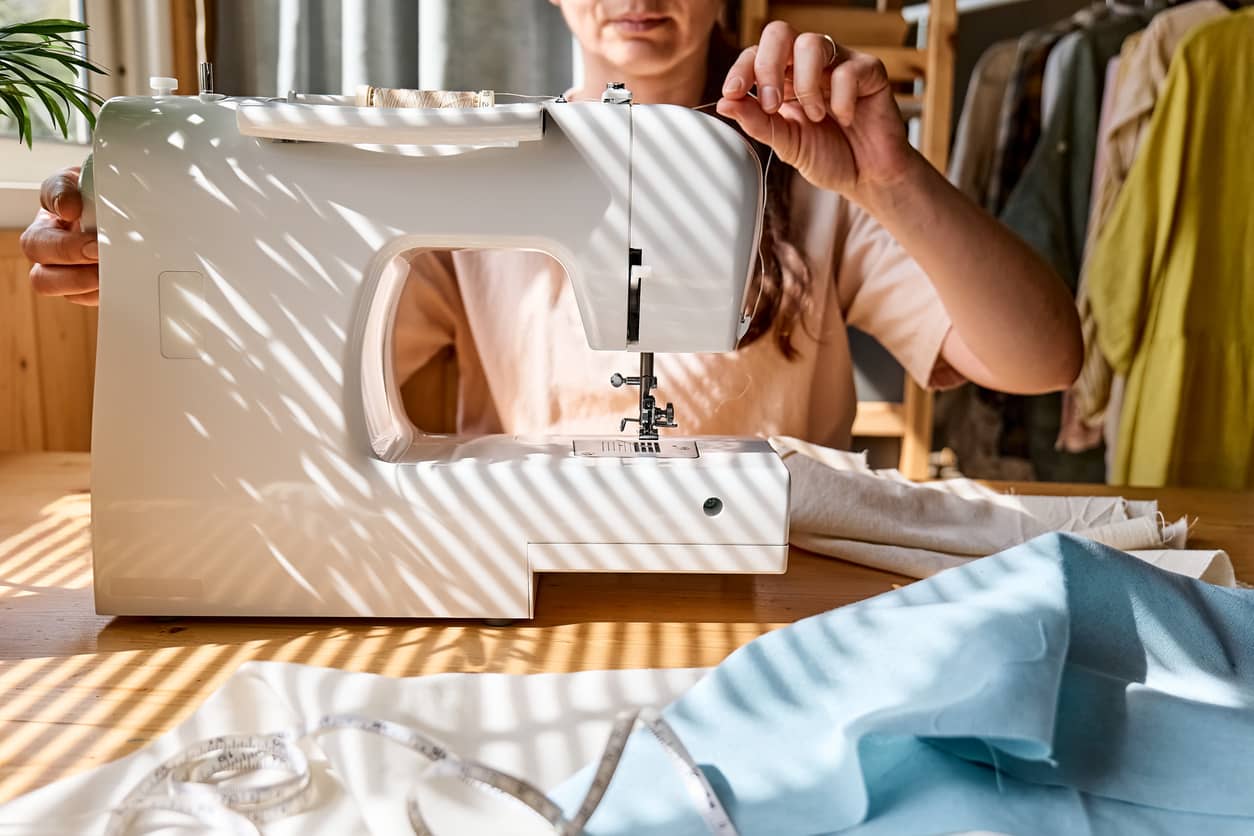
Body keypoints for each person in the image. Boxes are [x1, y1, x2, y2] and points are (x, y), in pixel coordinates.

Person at [20, 1, 1082, 450]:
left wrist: (893, 181)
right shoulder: (465, 186)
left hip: (773, 589)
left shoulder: (815, 184)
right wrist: (174, 267)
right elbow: (299, 356)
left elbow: (1041, 358)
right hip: (538, 585)